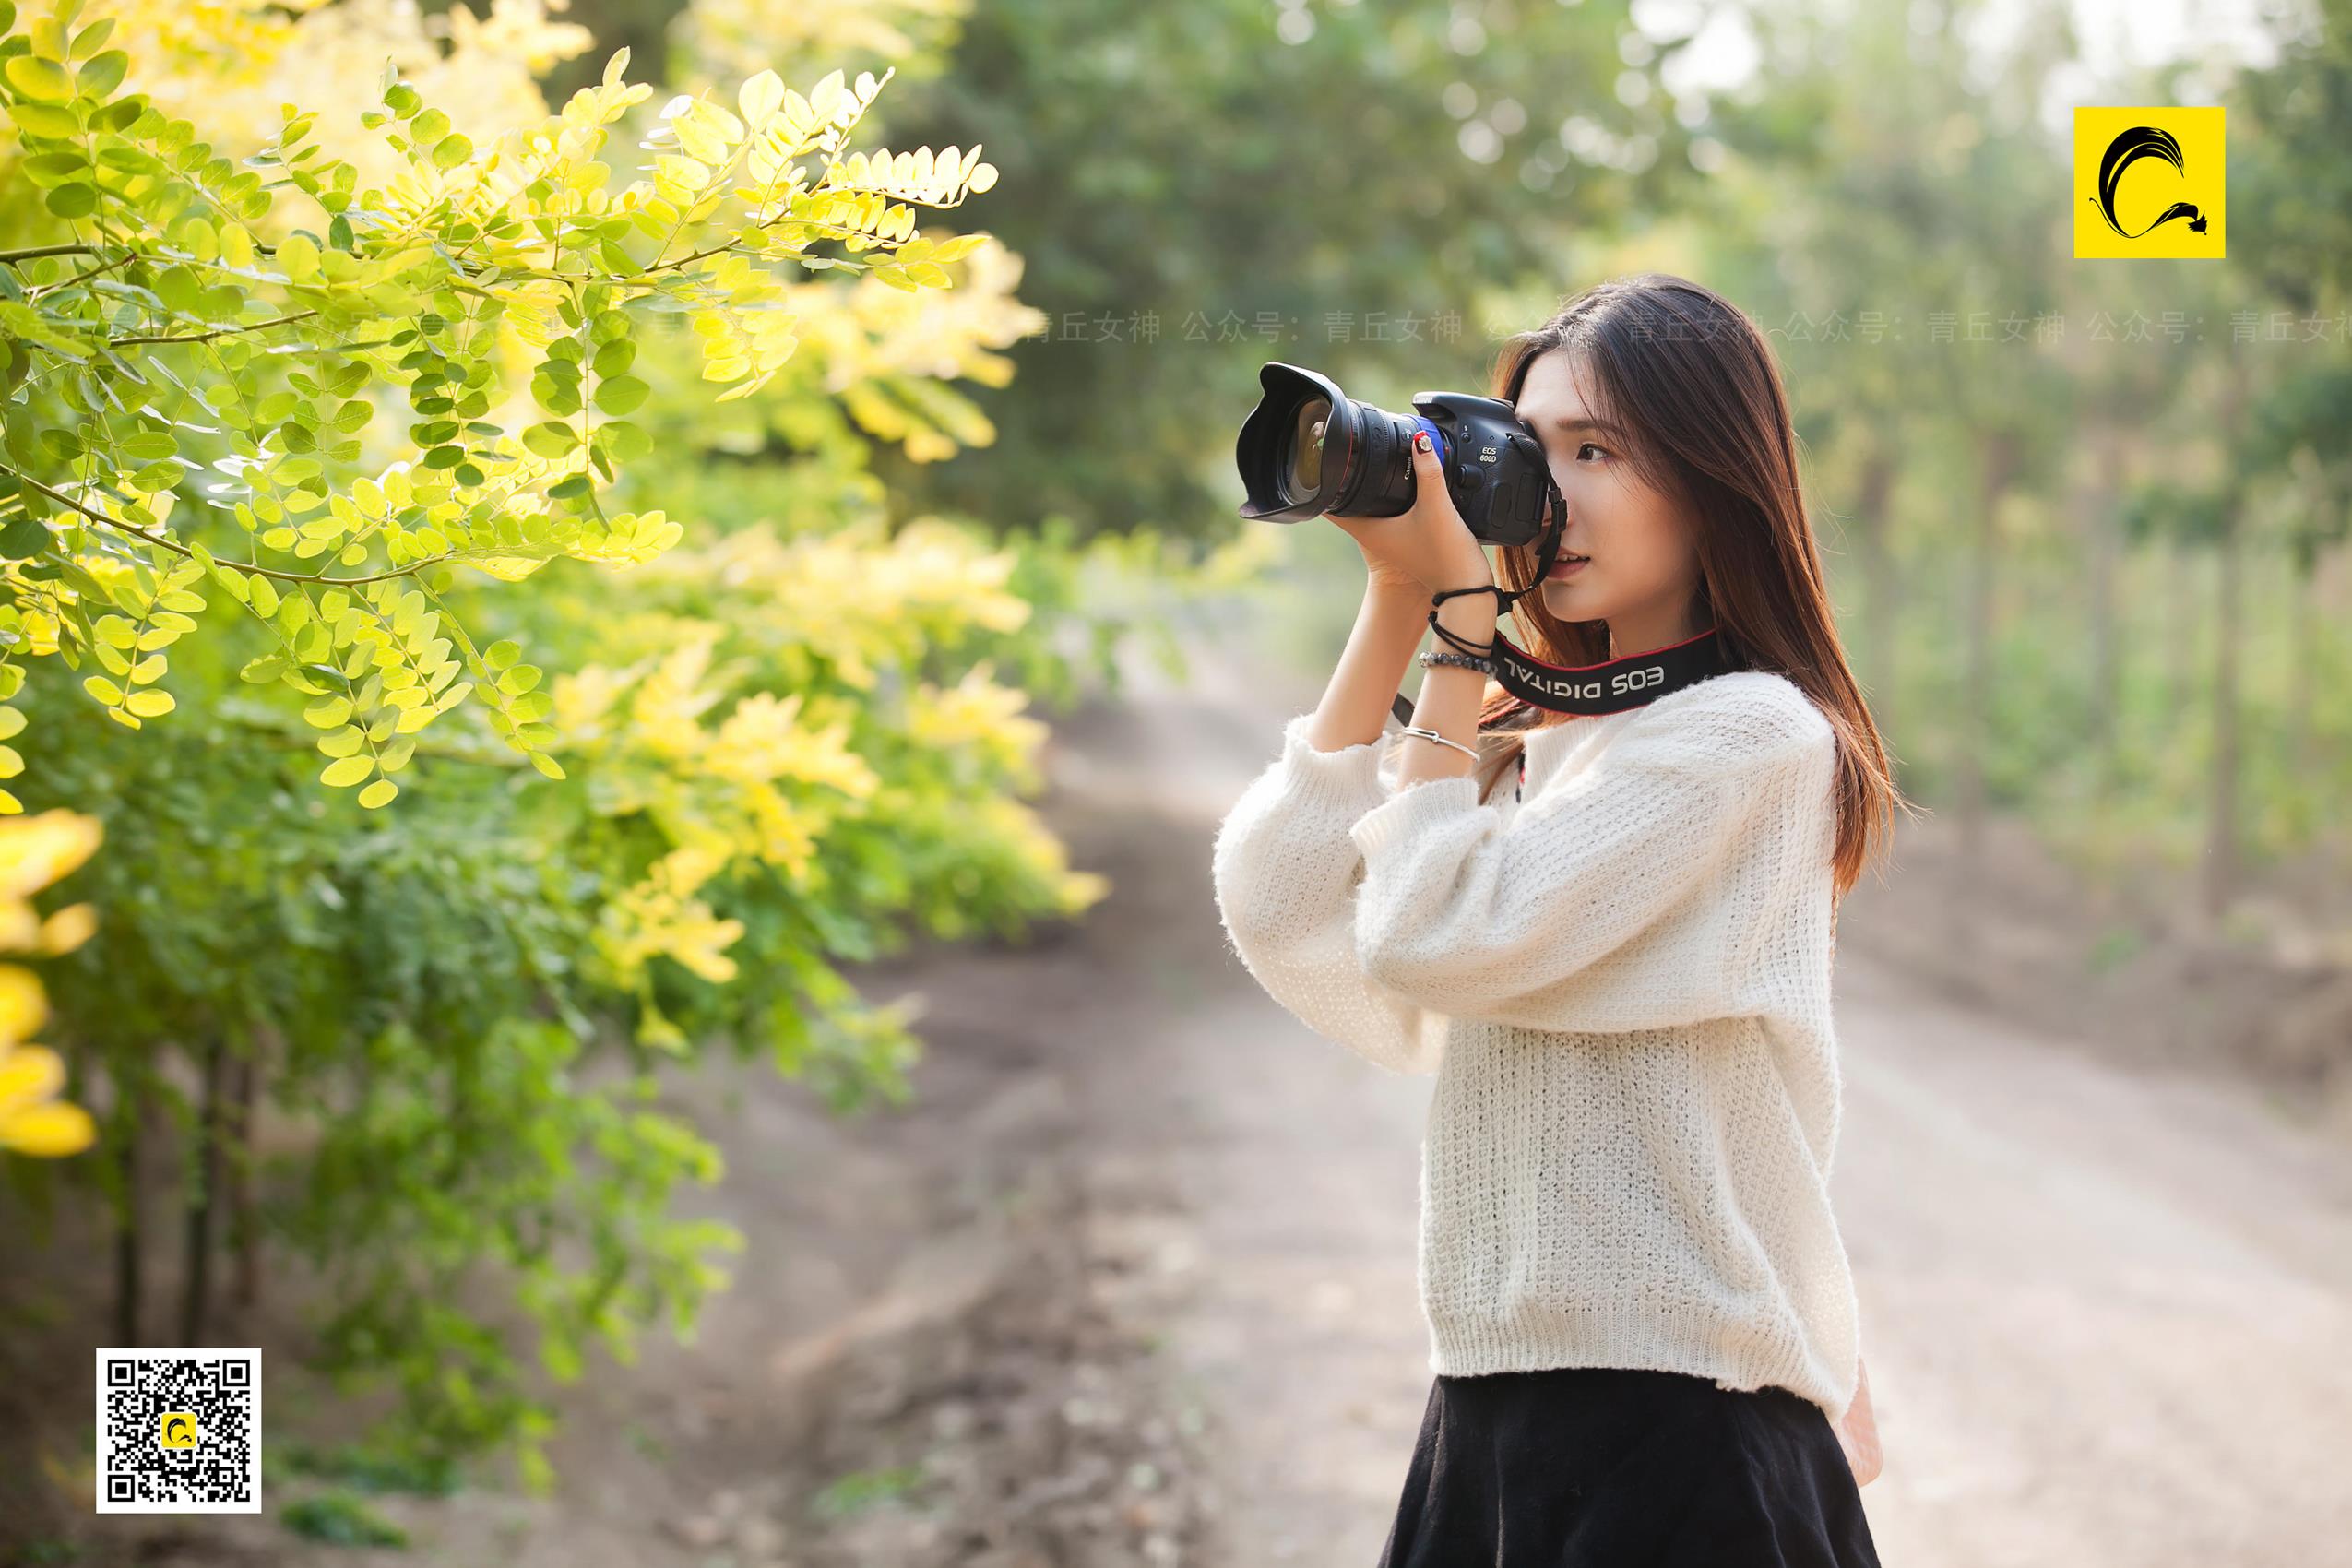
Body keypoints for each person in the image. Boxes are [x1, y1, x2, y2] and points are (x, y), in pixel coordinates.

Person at [1209, 273, 1910, 1566]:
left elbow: (1429, 936)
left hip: (1676, 1423)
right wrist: (1399, 599)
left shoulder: (1747, 737)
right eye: (1530, 453)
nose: (1553, 494)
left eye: (1598, 450)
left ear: (1713, 475)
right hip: (1495, 1402)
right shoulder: (1542, 750)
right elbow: (1279, 900)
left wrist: (1462, 635)